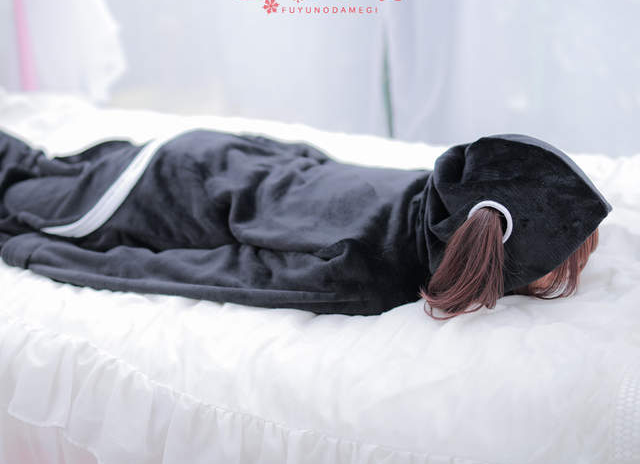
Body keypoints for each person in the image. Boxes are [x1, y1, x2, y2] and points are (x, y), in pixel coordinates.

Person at [0, 127, 611, 319]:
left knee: (36, 168)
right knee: (16, 196)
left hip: (213, 151)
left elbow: (316, 163)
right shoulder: (367, 274)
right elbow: (219, 273)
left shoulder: (425, 193)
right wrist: (35, 252)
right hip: (145, 196)